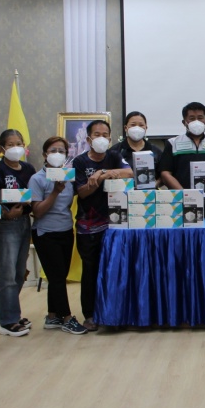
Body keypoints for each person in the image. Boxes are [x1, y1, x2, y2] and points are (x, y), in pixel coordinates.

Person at [72, 119, 132, 332]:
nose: (101, 138)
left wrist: (102, 173)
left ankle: (112, 313)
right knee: (90, 271)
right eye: (97, 135)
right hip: (88, 226)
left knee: (112, 269)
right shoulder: (80, 162)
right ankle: (90, 314)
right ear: (89, 139)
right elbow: (82, 192)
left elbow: (129, 172)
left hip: (114, 224)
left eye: (105, 135)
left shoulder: (113, 155)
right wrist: (98, 180)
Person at [29, 137, 87, 335]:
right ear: (45, 154)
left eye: (61, 151)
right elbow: (37, 211)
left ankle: (52, 316)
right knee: (56, 278)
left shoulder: (69, 177)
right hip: (45, 233)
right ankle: (67, 318)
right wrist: (54, 192)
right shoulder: (37, 179)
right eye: (53, 150)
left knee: (59, 275)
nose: (57, 154)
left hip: (66, 230)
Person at [0, 129, 35, 337]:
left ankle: (13, 312)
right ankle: (7, 320)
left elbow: (34, 193)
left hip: (24, 222)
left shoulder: (28, 169)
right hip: (4, 225)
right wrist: (5, 214)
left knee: (19, 272)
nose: (16, 148)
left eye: (19, 144)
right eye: (11, 144)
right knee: (7, 274)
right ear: (2, 148)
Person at [159, 102, 205, 219]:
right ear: (184, 122)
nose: (196, 122)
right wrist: (184, 194)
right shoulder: (172, 143)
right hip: (180, 206)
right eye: (192, 118)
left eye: (200, 118)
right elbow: (165, 173)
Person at [112, 111, 163, 183]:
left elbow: (164, 174)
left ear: (146, 128)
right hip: (122, 189)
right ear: (125, 128)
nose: (137, 128)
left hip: (150, 190)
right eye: (133, 125)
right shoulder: (115, 151)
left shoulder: (155, 151)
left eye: (141, 125)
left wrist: (156, 184)